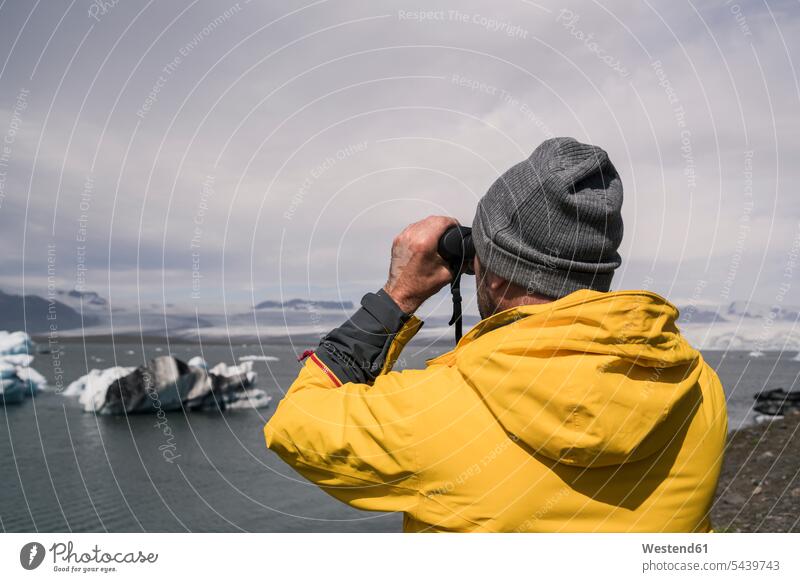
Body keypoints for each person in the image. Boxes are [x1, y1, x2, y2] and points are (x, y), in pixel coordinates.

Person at [264, 137, 728, 532]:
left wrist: (398, 295)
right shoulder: (696, 385)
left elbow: (294, 424)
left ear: (501, 280)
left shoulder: (439, 414)